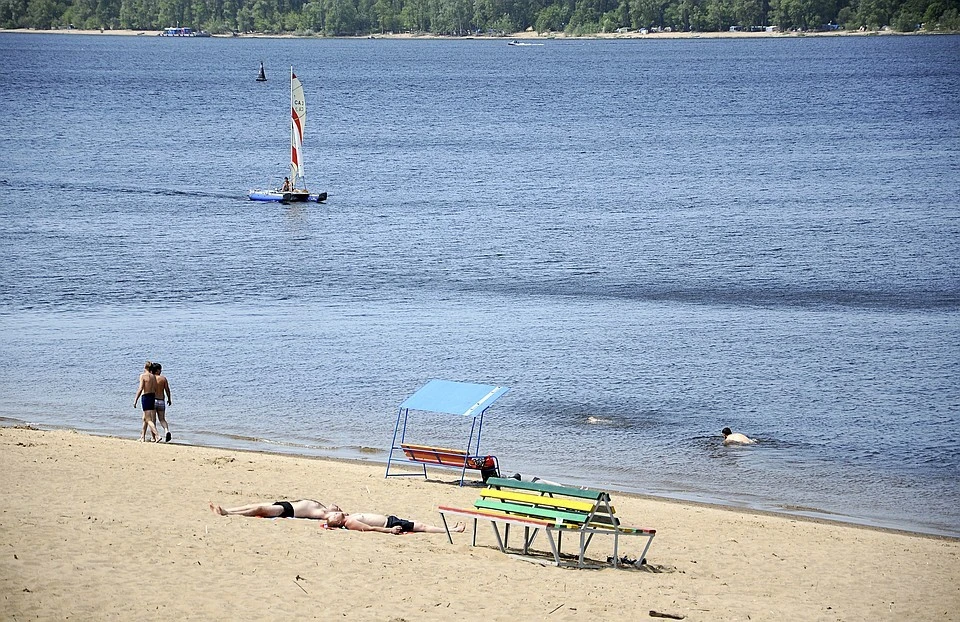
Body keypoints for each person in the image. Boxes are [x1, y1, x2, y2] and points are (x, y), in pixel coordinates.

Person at [325, 511, 463, 535]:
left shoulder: (349, 517)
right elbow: (369, 528)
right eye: (335, 516)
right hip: (389, 524)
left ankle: (450, 528)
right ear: (338, 522)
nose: (336, 513)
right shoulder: (350, 523)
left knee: (418, 524)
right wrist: (389, 530)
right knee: (421, 527)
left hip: (390, 519)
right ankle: (452, 530)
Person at [209, 499, 340, 520]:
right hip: (286, 503)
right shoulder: (322, 506)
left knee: (259, 509)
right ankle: (226, 509)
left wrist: (341, 515)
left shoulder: (324, 513)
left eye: (338, 509)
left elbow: (333, 519)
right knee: (252, 505)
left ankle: (227, 513)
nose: (338, 506)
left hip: (287, 510)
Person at [134, 361, 160, 442]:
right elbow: (155, 388)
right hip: (152, 396)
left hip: (146, 397)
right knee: (145, 418)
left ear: (145, 367)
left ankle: (157, 435)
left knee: (148, 419)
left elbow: (140, 388)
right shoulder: (153, 376)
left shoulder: (143, 376)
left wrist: (135, 400)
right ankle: (142, 436)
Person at [151, 362, 173, 442]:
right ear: (157, 370)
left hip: (153, 400)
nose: (161, 371)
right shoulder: (163, 379)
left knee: (153, 420)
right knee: (162, 419)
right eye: (160, 370)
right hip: (161, 401)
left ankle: (154, 437)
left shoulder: (151, 378)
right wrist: (169, 399)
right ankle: (166, 430)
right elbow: (167, 390)